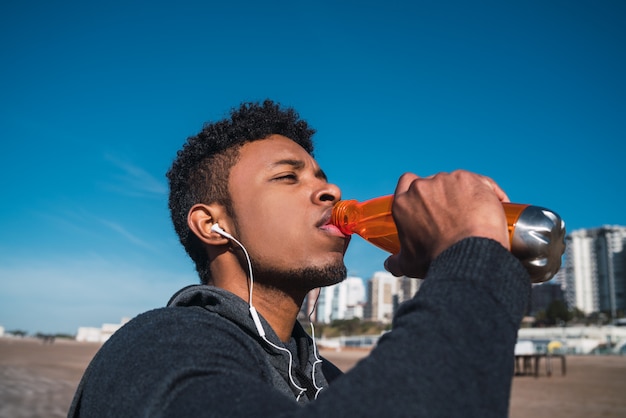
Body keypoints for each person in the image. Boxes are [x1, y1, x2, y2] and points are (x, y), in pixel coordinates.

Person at [68, 100, 530, 417]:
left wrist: (457, 270)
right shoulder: (157, 347)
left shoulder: (327, 378)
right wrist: (469, 264)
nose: (331, 191)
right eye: (288, 177)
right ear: (212, 225)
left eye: (322, 176)